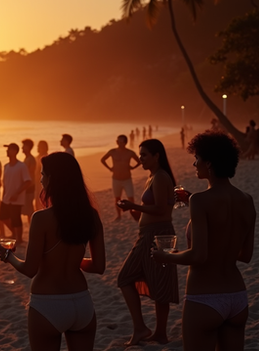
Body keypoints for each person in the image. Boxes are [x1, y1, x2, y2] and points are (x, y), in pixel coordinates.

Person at [153, 131, 255, 350]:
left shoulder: (201, 200)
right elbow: (245, 256)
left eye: (197, 158)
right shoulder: (246, 200)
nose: (194, 163)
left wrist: (165, 256)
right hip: (237, 297)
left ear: (208, 163)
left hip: (205, 297)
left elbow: (198, 255)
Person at [0, 152, 105, 351]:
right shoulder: (91, 216)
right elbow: (99, 266)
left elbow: (30, 269)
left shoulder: (41, 218)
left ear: (52, 179)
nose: (40, 179)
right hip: (82, 303)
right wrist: (74, 259)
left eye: (43, 174)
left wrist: (9, 257)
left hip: (48, 304)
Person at [116, 139, 179, 346]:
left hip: (158, 235)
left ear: (156, 156)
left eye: (144, 155)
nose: (140, 158)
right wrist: (136, 211)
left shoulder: (160, 177)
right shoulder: (152, 177)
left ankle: (149, 330)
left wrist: (134, 206)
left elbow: (161, 209)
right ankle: (151, 330)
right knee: (135, 278)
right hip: (148, 234)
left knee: (128, 277)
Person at [100, 135, 141, 220]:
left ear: (125, 142)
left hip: (127, 179)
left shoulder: (130, 152)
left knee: (130, 197)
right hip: (116, 179)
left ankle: (132, 213)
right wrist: (109, 168)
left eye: (120, 141)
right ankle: (119, 215)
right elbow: (103, 159)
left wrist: (133, 167)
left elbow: (139, 161)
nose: (118, 143)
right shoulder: (112, 151)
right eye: (117, 141)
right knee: (117, 198)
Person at [0, 143, 32, 246]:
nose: (7, 151)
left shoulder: (21, 166)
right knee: (2, 217)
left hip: (17, 198)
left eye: (9, 149)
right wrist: (3, 195)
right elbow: (4, 183)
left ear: (14, 151)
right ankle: (14, 233)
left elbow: (27, 182)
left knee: (16, 218)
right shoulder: (6, 166)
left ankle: (19, 238)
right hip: (6, 197)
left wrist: (17, 193)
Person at [21, 139, 37, 224]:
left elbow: (30, 175)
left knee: (29, 210)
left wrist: (25, 186)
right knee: (27, 210)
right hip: (27, 187)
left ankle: (33, 226)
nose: (22, 148)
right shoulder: (26, 159)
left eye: (24, 146)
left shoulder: (31, 159)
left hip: (29, 187)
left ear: (28, 147)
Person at [34, 141, 49, 211]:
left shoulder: (47, 158)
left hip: (43, 182)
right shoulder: (36, 158)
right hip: (36, 182)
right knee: (37, 201)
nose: (38, 148)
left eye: (40, 146)